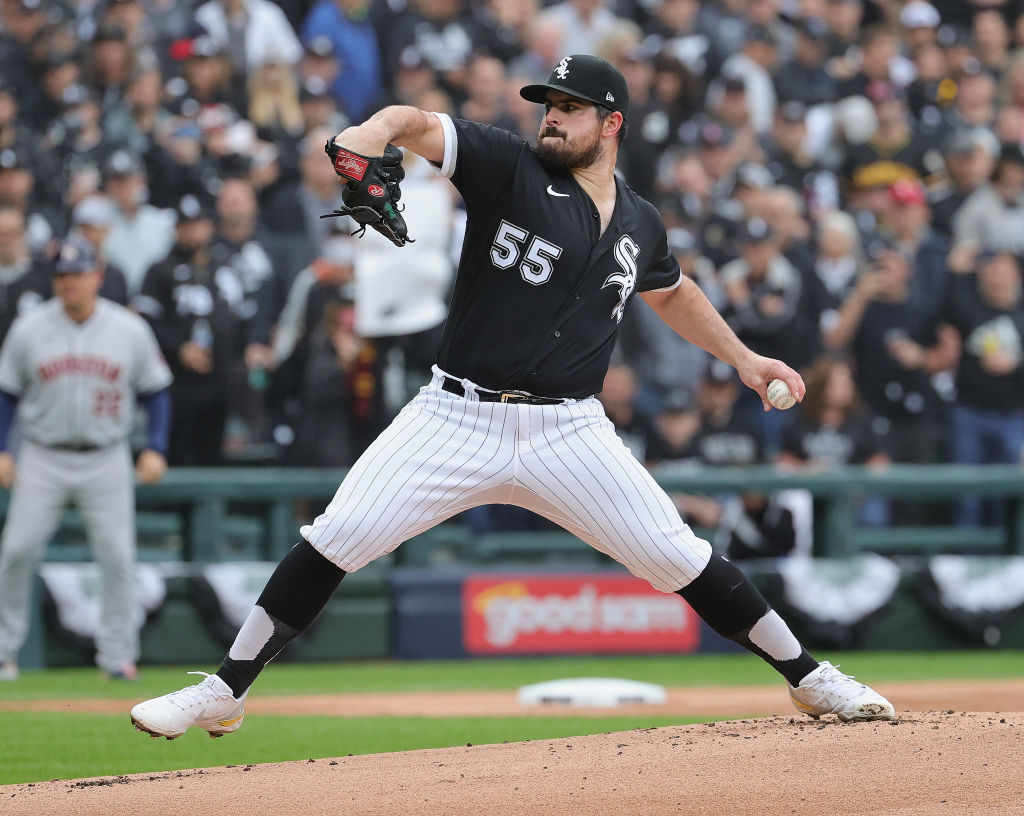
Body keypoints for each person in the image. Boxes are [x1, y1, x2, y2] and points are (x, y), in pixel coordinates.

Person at [129, 54, 894, 737]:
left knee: (680, 556)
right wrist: (367, 134)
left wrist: (745, 358)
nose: (550, 117)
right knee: (335, 536)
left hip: (570, 432)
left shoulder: (638, 222)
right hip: (455, 415)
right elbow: (416, 124)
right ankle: (225, 690)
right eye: (546, 104)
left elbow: (671, 291)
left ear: (611, 123)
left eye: (567, 107)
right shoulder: (508, 166)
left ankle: (811, 680)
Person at [0, 235, 172, 682]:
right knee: (17, 551)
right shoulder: (30, 327)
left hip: (106, 454)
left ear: (96, 276)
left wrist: (155, 445)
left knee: (117, 556)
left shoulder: (128, 328)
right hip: (42, 453)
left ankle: (117, 657)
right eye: (61, 275)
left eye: (77, 274)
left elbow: (156, 391)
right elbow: (7, 393)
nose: (69, 282)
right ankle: (3, 653)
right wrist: (2, 449)